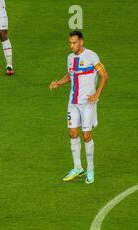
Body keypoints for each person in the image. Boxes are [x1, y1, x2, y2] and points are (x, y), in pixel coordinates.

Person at [49, 31, 109, 184]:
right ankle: (78, 168)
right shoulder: (70, 58)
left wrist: (96, 94)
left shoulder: (91, 56)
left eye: (74, 43)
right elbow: (70, 75)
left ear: (81, 42)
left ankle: (90, 169)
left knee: (87, 136)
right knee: (72, 132)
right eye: (70, 43)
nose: (72, 46)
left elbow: (104, 75)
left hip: (87, 103)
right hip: (73, 102)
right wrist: (58, 83)